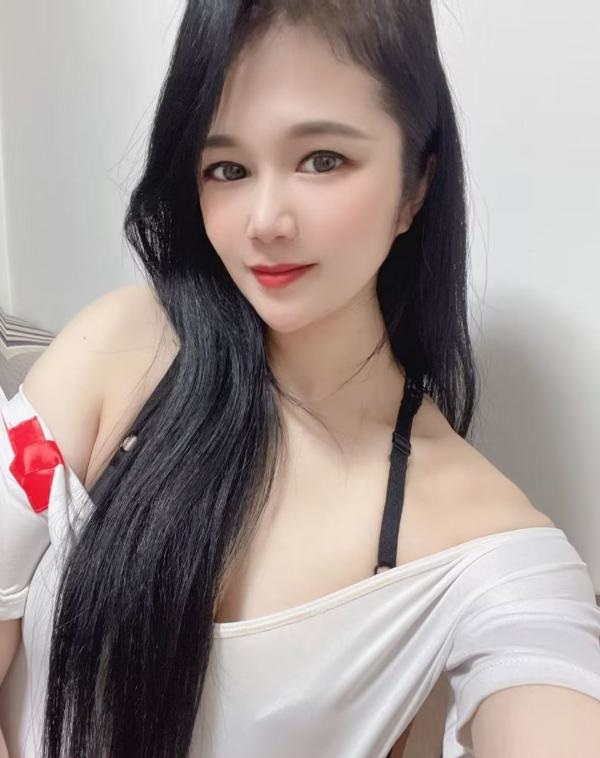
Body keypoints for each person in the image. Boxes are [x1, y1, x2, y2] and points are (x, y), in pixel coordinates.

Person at [1, 2, 600, 757]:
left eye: (322, 159)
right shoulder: (119, 349)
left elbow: (545, 672)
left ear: (416, 185)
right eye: (227, 169)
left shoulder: (484, 543)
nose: (265, 221)